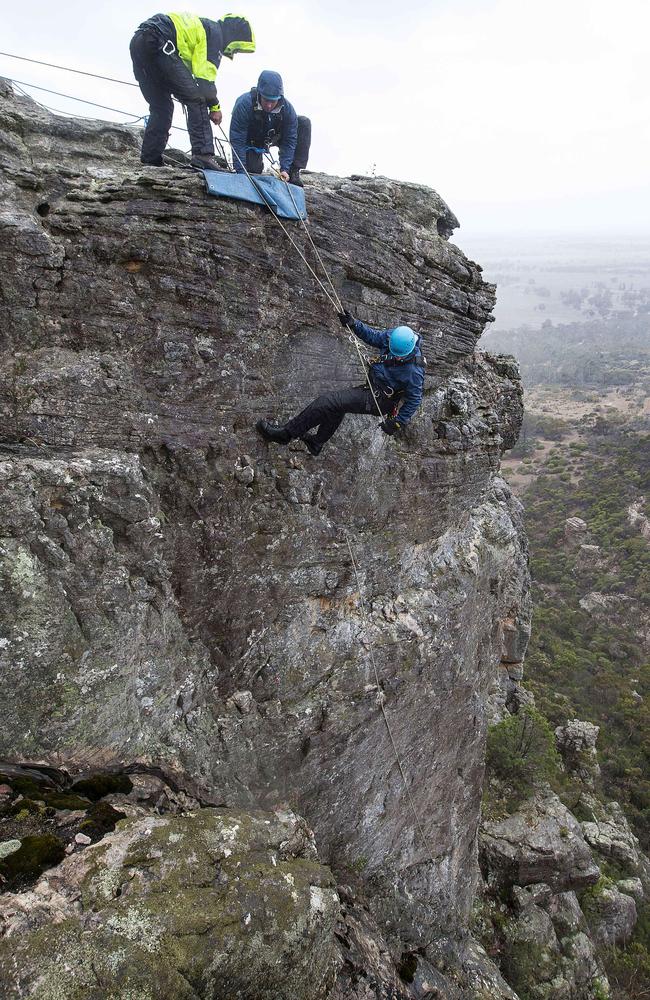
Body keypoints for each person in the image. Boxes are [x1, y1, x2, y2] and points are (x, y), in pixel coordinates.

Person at [256, 311, 425, 455]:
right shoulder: (396, 338)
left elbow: (415, 399)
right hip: (373, 387)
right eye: (394, 353)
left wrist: (397, 422)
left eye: (399, 356)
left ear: (409, 352)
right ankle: (317, 443)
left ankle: (286, 434)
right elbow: (374, 337)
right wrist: (354, 324)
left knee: (328, 402)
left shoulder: (414, 372)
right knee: (337, 406)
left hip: (380, 399)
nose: (395, 357)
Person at [130, 12, 255, 169]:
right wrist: (215, 107)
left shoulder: (205, 27)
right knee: (197, 99)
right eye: (236, 49)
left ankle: (150, 158)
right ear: (234, 37)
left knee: (162, 107)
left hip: (139, 42)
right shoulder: (215, 34)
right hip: (160, 41)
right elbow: (205, 81)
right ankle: (203, 155)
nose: (234, 53)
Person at [229, 70, 311, 187]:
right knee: (252, 171)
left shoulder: (288, 110)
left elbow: (289, 141)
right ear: (259, 93)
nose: (268, 105)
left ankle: (293, 171)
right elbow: (237, 139)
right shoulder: (244, 104)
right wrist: (241, 172)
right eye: (266, 100)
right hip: (252, 141)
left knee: (303, 123)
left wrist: (285, 168)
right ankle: (248, 168)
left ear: (280, 97)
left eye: (273, 101)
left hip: (274, 135)